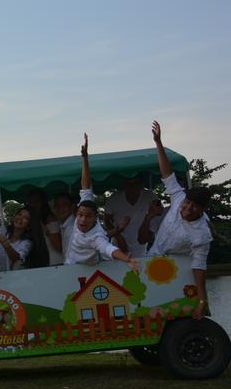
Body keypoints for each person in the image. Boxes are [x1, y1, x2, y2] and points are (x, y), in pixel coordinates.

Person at [149, 121, 212, 318]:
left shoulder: (202, 234)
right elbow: (167, 173)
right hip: (150, 259)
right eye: (187, 202)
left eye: (194, 206)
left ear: (202, 209)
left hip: (173, 273)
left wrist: (202, 300)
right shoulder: (178, 197)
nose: (187, 208)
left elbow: (199, 268)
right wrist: (159, 142)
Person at [65, 134, 140, 271]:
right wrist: (85, 158)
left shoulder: (97, 236)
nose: (82, 219)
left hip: (86, 273)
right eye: (80, 214)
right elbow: (86, 185)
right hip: (68, 266)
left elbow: (108, 248)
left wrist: (126, 259)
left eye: (88, 216)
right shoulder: (84, 206)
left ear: (95, 218)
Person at [104, 175, 156, 258]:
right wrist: (118, 236)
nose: (132, 187)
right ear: (124, 185)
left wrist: (149, 233)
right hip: (117, 247)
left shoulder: (150, 197)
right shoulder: (114, 198)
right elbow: (106, 220)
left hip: (140, 249)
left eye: (136, 183)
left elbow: (157, 215)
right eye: (129, 184)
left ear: (141, 185)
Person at [47, 192, 76, 265]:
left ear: (72, 207)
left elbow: (70, 258)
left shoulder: (73, 227)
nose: (60, 208)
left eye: (64, 204)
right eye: (57, 205)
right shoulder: (64, 226)